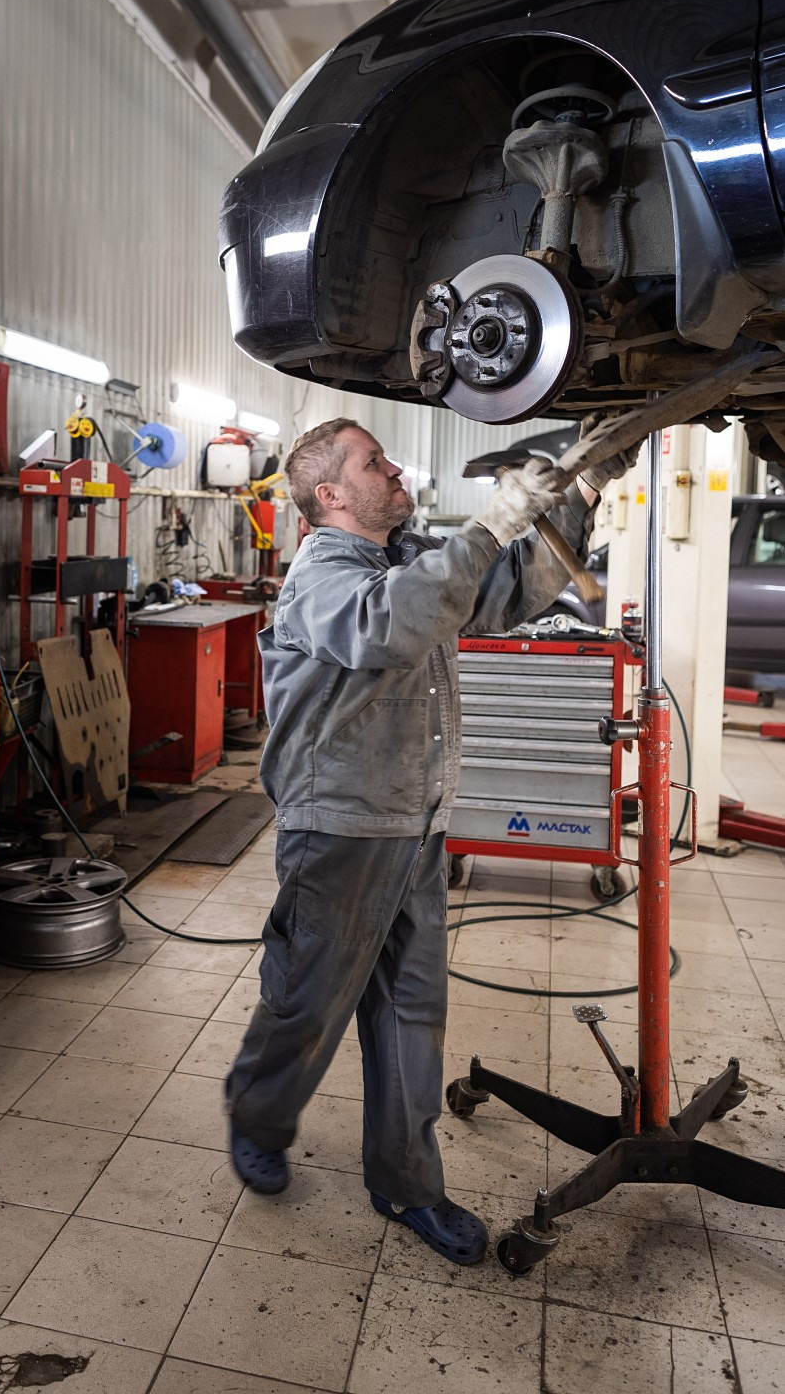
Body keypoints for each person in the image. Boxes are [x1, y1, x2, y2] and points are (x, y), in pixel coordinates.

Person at [225, 416, 638, 1266]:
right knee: (307, 1003)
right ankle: (257, 1119)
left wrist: (585, 488)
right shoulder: (321, 576)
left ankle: (407, 1183)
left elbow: (506, 590)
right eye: (373, 462)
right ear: (330, 495)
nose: (394, 470)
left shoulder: (404, 557)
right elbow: (391, 627)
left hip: (417, 824)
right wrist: (490, 522)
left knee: (411, 1012)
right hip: (339, 829)